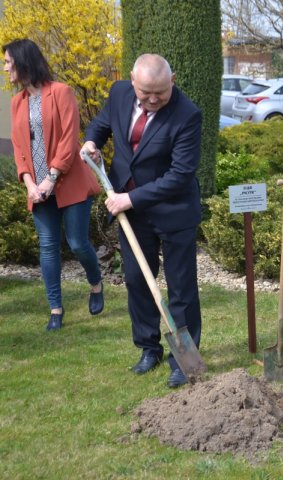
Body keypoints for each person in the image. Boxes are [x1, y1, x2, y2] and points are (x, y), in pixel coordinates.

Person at [81, 54, 203, 388]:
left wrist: (130, 198)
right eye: (145, 93)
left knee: (181, 288)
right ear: (132, 81)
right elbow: (103, 124)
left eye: (160, 93)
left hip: (173, 209)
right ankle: (149, 348)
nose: (152, 100)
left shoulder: (187, 115)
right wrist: (93, 141)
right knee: (136, 280)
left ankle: (184, 358)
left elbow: (180, 175)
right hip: (131, 212)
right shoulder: (120, 93)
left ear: (173, 80)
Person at [3, 39, 105, 331]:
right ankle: (56, 310)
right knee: (48, 248)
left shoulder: (61, 93)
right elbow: (19, 147)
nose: (6, 67)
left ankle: (96, 284)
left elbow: (68, 140)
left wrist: (51, 177)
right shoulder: (16, 103)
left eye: (8, 61)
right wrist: (29, 184)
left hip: (69, 183)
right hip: (38, 189)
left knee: (77, 243)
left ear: (24, 62)